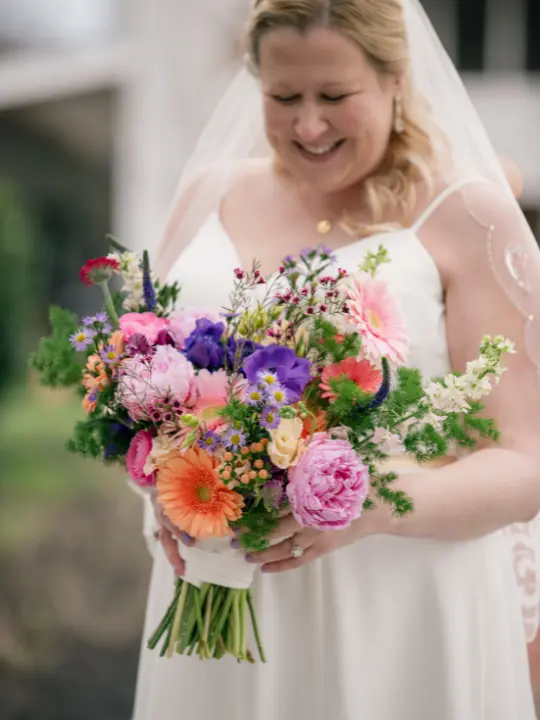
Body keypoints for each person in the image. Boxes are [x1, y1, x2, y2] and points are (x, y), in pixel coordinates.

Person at [131, 1, 540, 718]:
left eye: (335, 96)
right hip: (219, 586)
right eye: (283, 97)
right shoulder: (207, 195)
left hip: (402, 603)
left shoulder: (465, 212)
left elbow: (528, 456)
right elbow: (146, 379)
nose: (308, 126)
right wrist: (166, 488)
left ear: (395, 79)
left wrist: (376, 507)